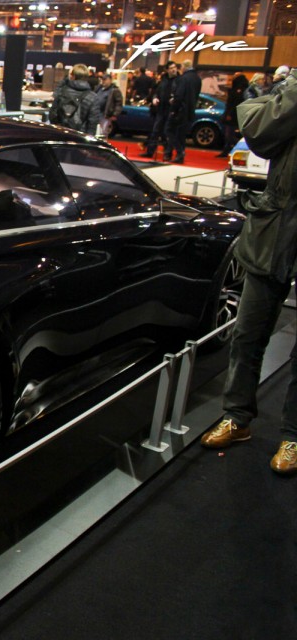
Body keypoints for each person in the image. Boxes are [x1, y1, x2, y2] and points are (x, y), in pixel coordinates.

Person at [199, 68, 297, 475]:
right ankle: (237, 417)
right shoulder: (292, 92)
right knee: (248, 332)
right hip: (275, 229)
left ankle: (293, 435)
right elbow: (256, 128)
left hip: (276, 224)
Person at [164, 59, 200, 163]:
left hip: (180, 110)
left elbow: (179, 96)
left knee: (169, 130)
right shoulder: (197, 78)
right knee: (181, 135)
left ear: (184, 67)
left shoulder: (183, 79)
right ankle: (180, 155)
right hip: (190, 110)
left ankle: (180, 152)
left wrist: (173, 109)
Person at [48, 63, 100, 135]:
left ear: (72, 76)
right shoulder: (93, 97)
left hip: (61, 135)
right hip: (81, 137)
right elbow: (92, 123)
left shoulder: (61, 92)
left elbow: (52, 115)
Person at [217, 73, 249, 157]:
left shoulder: (239, 89)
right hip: (233, 113)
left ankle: (241, 147)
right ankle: (226, 150)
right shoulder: (239, 88)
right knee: (228, 134)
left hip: (233, 115)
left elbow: (235, 103)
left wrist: (230, 113)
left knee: (229, 135)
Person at [93, 73, 123, 138]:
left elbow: (119, 103)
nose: (103, 81)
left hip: (106, 115)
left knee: (103, 134)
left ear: (110, 80)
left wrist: (115, 114)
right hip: (96, 113)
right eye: (102, 79)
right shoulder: (98, 88)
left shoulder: (114, 90)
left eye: (105, 79)